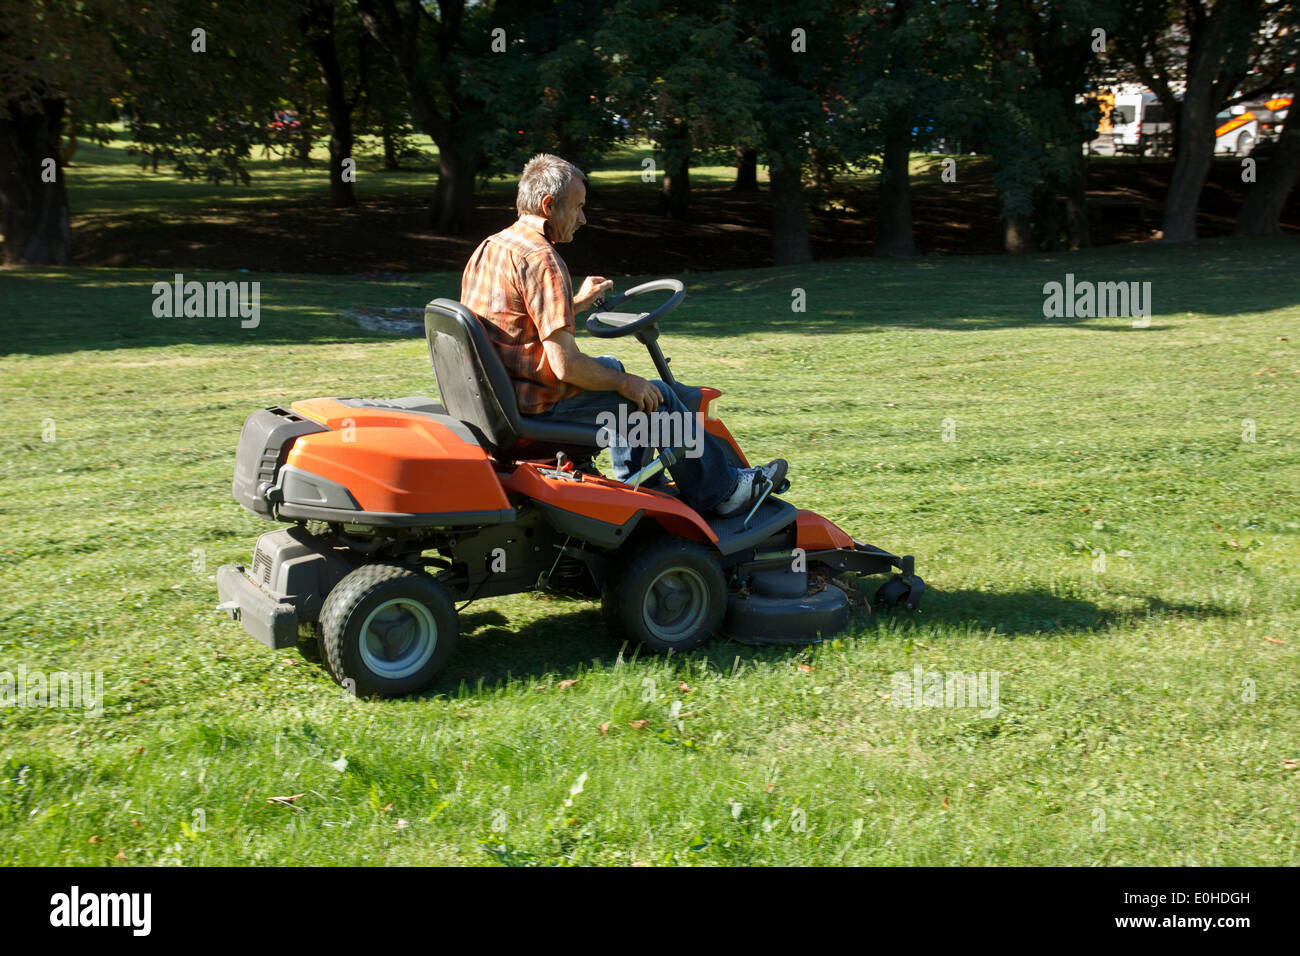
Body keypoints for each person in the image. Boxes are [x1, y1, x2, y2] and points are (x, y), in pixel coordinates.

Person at [460, 153, 786, 517]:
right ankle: (722, 492)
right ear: (549, 205)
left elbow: (514, 324)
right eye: (578, 207)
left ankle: (636, 483)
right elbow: (566, 367)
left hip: (497, 401)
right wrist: (627, 384)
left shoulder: (491, 247)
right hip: (534, 407)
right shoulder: (542, 259)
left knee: (612, 365)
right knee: (655, 396)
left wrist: (576, 304)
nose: (583, 218)